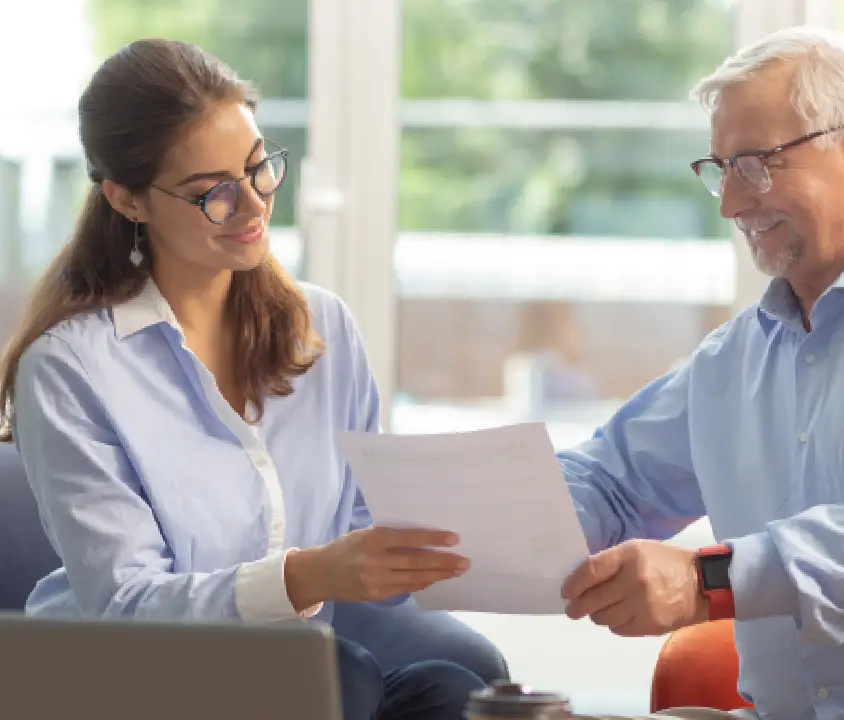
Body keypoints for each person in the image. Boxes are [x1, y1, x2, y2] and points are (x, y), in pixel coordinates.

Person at [0, 39, 506, 720]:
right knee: (336, 677)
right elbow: (127, 605)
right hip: (125, 662)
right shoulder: (71, 368)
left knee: (466, 677)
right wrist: (305, 576)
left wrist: (462, 540)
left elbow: (359, 523)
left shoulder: (322, 325)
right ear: (127, 199)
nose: (252, 205)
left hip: (301, 640)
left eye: (258, 166)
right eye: (212, 192)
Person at [557, 27, 844, 720]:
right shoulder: (734, 357)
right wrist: (454, 525)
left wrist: (711, 581)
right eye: (720, 170)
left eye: (756, 165)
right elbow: (608, 480)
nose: (732, 205)